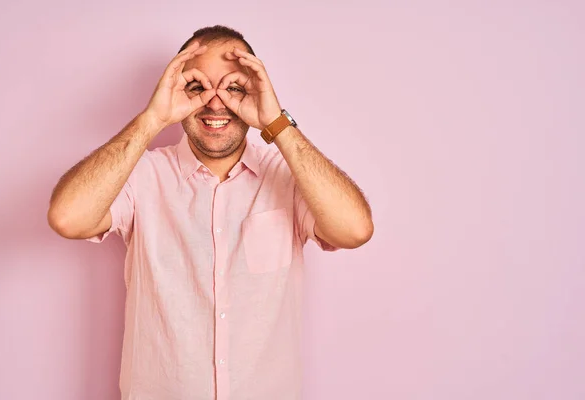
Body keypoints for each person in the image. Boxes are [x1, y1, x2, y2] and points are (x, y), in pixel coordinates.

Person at [47, 25, 373, 400]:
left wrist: (276, 122)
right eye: (198, 87)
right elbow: (68, 218)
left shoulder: (290, 178)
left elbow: (355, 230)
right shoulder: (143, 175)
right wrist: (152, 119)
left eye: (234, 87)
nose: (216, 104)